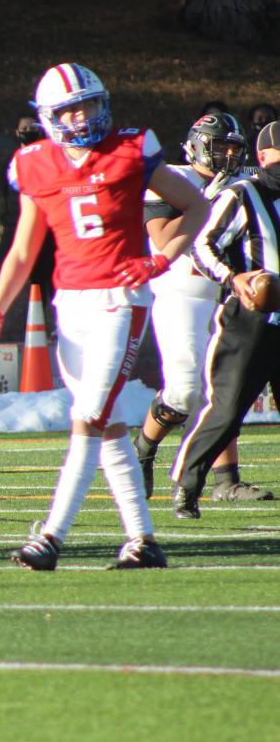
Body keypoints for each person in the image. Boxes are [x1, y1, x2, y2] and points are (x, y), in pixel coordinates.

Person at [0, 63, 206, 571]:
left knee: (87, 418)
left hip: (120, 301)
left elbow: (195, 205)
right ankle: (144, 540)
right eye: (70, 108)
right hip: (71, 303)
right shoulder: (34, 163)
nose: (82, 116)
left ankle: (52, 536)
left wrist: (163, 258)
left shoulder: (130, 149)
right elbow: (22, 251)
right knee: (106, 427)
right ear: (49, 117)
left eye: (88, 103)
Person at [134, 113, 272, 509]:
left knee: (225, 389)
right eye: (220, 146)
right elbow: (161, 240)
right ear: (196, 144)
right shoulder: (170, 176)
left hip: (227, 294)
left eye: (233, 147)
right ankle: (144, 447)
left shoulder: (242, 182)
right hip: (181, 294)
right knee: (184, 391)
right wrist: (205, 200)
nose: (228, 154)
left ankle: (226, 479)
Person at [169, 121, 280, 515]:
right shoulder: (243, 193)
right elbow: (202, 245)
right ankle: (187, 484)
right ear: (264, 156)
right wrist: (235, 279)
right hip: (249, 321)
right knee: (227, 409)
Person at [0, 116, 56, 305]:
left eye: (32, 127)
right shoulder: (14, 161)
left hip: (45, 226)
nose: (28, 131)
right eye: (24, 128)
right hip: (15, 224)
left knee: (47, 277)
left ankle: (52, 326)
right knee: (7, 272)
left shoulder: (48, 158)